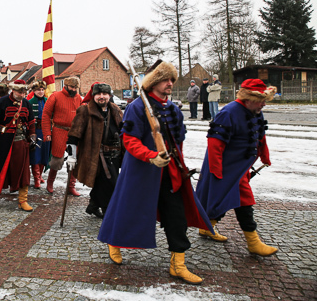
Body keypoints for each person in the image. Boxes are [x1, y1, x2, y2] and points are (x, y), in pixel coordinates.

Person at [98, 60, 213, 285]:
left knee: (176, 216)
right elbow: (129, 139)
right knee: (128, 211)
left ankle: (178, 264)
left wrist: (177, 163)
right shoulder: (137, 107)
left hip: (171, 173)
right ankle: (114, 241)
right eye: (165, 80)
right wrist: (151, 156)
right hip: (142, 171)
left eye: (172, 79)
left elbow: (178, 140)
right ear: (154, 82)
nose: (170, 83)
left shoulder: (172, 109)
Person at [195, 79, 278, 256]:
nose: (263, 104)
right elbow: (215, 143)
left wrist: (264, 155)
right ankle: (253, 242)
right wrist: (216, 169)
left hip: (241, 167)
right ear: (248, 98)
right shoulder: (229, 112)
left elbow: (260, 135)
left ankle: (207, 227)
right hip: (226, 167)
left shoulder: (256, 110)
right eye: (260, 100)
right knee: (242, 200)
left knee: (224, 198)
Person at [0, 80, 36, 211]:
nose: (22, 94)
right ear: (13, 91)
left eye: (24, 92)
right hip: (2, 141)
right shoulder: (2, 102)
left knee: (23, 172)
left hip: (21, 143)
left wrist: (32, 136)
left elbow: (31, 122)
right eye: (20, 92)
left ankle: (23, 200)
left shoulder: (26, 103)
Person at [67, 83, 123, 218]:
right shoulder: (85, 111)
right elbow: (73, 135)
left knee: (101, 183)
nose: (101, 97)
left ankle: (93, 205)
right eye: (98, 94)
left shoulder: (115, 109)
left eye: (104, 94)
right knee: (111, 184)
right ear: (94, 96)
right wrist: (71, 156)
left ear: (109, 95)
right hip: (94, 155)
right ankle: (108, 211)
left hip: (114, 154)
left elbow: (123, 130)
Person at [41, 76, 83, 195]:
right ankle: (50, 183)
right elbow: (46, 114)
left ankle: (71, 186)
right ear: (66, 85)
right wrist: (47, 133)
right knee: (56, 161)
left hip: (74, 133)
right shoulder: (55, 96)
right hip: (59, 130)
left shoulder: (79, 98)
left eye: (76, 87)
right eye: (72, 87)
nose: (74, 89)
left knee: (73, 159)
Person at [28, 80, 51, 188]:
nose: (41, 92)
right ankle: (36, 178)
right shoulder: (30, 102)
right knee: (35, 155)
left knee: (44, 154)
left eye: (42, 90)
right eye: (38, 90)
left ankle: (40, 175)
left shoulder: (48, 101)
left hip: (46, 131)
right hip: (35, 132)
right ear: (33, 91)